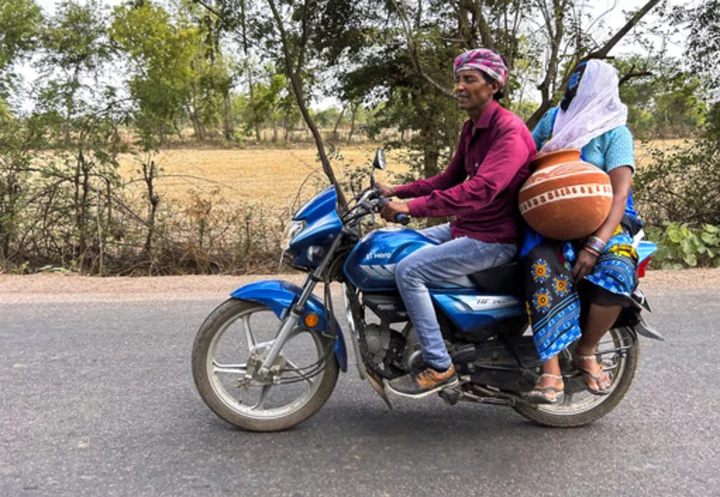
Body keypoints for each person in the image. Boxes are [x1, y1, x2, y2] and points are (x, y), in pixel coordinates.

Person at [377, 48, 536, 398]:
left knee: (410, 271)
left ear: (494, 85)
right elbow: (447, 179)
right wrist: (395, 191)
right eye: (458, 80)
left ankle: (439, 365)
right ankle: (437, 331)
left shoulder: (509, 131)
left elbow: (481, 190)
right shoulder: (472, 129)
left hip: (494, 239)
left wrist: (412, 206)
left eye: (470, 79)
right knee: (391, 244)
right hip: (466, 228)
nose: (460, 87)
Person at [523, 59, 643, 404]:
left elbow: (620, 193)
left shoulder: (615, 131)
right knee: (541, 267)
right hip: (547, 219)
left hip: (603, 221)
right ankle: (550, 372)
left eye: (580, 82)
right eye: (572, 81)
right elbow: (524, 160)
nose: (573, 88)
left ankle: (586, 350)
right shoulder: (552, 120)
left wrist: (595, 245)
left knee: (618, 268)